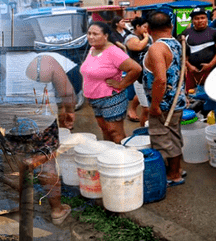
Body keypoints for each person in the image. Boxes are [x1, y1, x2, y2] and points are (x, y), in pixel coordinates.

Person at [0, 54, 76, 225]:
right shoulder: (44, 61)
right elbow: (67, 92)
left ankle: (19, 212)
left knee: (13, 164)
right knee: (47, 162)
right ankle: (57, 211)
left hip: (10, 121)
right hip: (41, 122)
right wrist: (69, 111)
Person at [142, 11, 187, 187]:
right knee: (174, 136)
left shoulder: (156, 48)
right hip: (176, 101)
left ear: (148, 28)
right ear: (170, 26)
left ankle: (174, 174)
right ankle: (176, 169)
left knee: (163, 139)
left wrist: (154, 105)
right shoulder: (176, 43)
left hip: (164, 105)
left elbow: (160, 79)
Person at [80, 22, 141, 143]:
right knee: (105, 130)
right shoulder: (93, 49)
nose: (91, 37)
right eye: (89, 33)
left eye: (95, 34)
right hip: (95, 99)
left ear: (106, 36)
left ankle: (121, 159)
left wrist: (121, 84)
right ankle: (109, 157)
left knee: (115, 132)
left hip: (111, 97)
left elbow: (136, 69)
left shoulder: (113, 52)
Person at [182, 8, 216, 91]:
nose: (200, 21)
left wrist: (210, 65)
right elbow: (183, 53)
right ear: (192, 21)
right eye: (197, 18)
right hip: (191, 72)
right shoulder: (186, 33)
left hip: (210, 71)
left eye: (202, 18)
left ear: (207, 19)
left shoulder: (215, 33)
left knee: (211, 92)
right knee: (190, 95)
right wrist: (189, 66)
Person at [125, 17, 152, 125]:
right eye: (144, 27)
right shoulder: (131, 38)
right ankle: (143, 130)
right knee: (146, 110)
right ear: (137, 27)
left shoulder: (148, 38)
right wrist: (146, 37)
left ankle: (132, 109)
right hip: (138, 76)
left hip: (149, 75)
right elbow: (139, 46)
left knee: (145, 98)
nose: (146, 29)